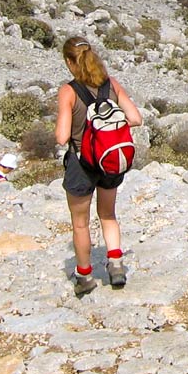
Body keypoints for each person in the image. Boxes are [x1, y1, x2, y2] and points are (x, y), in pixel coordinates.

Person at [56, 36, 143, 296]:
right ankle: (116, 264)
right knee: (108, 214)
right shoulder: (111, 84)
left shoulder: (69, 92)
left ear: (70, 62)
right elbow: (135, 118)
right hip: (110, 161)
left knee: (80, 223)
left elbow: (61, 137)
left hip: (82, 164)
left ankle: (85, 276)